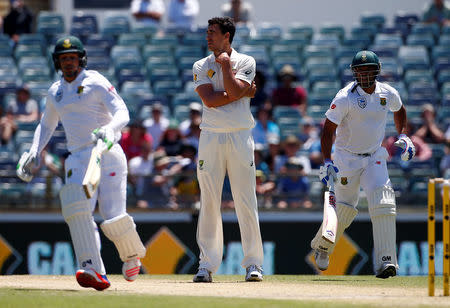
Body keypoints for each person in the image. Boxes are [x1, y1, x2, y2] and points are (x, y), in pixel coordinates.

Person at [16, 36, 146, 291]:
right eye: (64, 59)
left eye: (72, 58)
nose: (68, 63)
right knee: (77, 211)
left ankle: (131, 255)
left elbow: (123, 112)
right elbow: (47, 124)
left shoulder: (95, 81)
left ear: (81, 59)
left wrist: (110, 130)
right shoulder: (56, 91)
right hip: (77, 157)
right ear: (57, 62)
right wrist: (33, 150)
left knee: (112, 216)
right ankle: (92, 269)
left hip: (106, 151)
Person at [310, 50, 416, 279]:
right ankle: (322, 247)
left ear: (376, 71)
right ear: (354, 73)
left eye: (369, 70)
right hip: (346, 158)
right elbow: (327, 130)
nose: (365, 74)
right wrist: (328, 161)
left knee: (384, 200)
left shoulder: (388, 93)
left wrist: (404, 135)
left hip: (374, 155)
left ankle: (387, 262)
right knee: (345, 209)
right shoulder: (344, 97)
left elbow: (400, 111)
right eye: (360, 70)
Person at [192, 17, 263, 283]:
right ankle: (206, 266)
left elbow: (231, 88)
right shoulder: (200, 65)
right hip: (210, 137)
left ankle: (253, 264)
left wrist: (225, 68)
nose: (208, 37)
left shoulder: (246, 61)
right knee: (209, 201)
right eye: (207, 32)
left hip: (240, 136)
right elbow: (209, 101)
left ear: (227, 36)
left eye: (213, 33)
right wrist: (242, 93)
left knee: (245, 199)